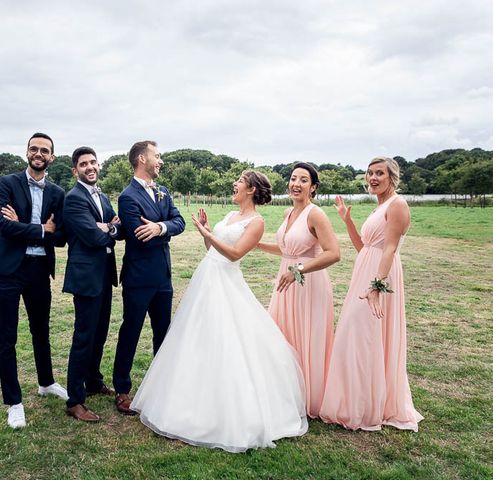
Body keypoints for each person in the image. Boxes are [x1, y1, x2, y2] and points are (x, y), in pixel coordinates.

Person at [131, 171, 309, 453]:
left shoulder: (257, 222)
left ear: (251, 189)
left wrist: (206, 233)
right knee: (195, 338)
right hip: (207, 277)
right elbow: (211, 250)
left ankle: (231, 409)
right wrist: (207, 232)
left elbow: (235, 254)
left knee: (227, 339)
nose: (234, 184)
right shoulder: (228, 215)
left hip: (226, 281)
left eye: (239, 181)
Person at [319, 157, 424, 431]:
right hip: (365, 271)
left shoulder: (398, 205)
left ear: (392, 177)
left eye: (380, 173)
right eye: (370, 173)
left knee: (364, 335)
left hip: (380, 277)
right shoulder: (380, 207)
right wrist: (347, 221)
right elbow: (364, 247)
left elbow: (388, 249)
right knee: (356, 335)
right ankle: (358, 401)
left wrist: (378, 287)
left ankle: (366, 406)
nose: (373, 178)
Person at [0, 132, 67, 429]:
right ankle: (14, 402)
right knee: (7, 337)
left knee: (40, 330)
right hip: (8, 269)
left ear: (51, 157)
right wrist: (40, 229)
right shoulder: (9, 183)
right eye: (34, 148)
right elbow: (5, 227)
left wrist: (28, 227)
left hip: (38, 269)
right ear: (27, 152)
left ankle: (46, 383)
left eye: (44, 150)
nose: (38, 153)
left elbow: (60, 237)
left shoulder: (58, 193)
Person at [257, 163, 340, 418]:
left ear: (313, 187)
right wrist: (256, 244)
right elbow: (287, 250)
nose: (296, 184)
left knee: (305, 337)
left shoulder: (316, 215)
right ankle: (286, 392)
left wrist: (298, 271)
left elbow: (334, 254)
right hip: (285, 284)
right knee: (282, 335)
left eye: (304, 180)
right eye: (293, 178)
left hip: (308, 283)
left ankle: (308, 398)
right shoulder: (287, 213)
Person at [112, 141, 185, 415]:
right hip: (138, 277)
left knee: (163, 333)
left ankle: (162, 386)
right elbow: (138, 236)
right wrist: (159, 229)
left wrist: (159, 226)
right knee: (130, 332)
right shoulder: (127, 196)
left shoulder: (164, 192)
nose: (161, 161)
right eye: (157, 156)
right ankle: (121, 389)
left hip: (163, 277)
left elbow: (179, 222)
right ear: (142, 158)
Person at [62, 146, 124, 422]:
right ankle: (75, 400)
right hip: (86, 278)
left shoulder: (102, 196)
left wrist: (107, 227)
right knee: (84, 337)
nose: (90, 167)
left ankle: (94, 382)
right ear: (76, 170)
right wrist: (106, 229)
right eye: (84, 164)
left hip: (104, 275)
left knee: (100, 333)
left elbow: (118, 229)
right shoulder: (74, 199)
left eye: (93, 162)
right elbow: (92, 238)